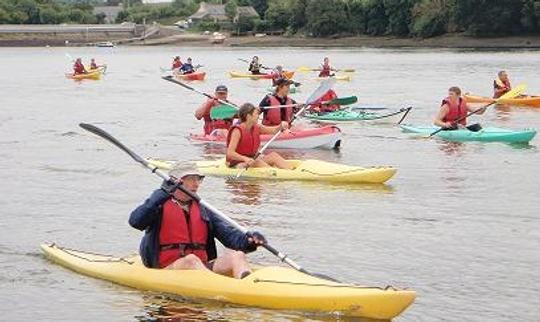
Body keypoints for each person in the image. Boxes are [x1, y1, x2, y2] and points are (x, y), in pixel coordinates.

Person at [129, 164, 267, 278]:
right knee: (191, 260)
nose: (196, 184)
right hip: (166, 269)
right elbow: (136, 221)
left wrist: (249, 241)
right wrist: (162, 193)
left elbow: (230, 237)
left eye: (198, 179)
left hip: (201, 267)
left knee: (237, 255)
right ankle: (217, 287)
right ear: (176, 181)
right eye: (191, 179)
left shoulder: (203, 209)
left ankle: (246, 286)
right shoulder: (158, 204)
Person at [226, 103, 294, 170]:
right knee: (257, 162)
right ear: (248, 116)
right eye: (256, 114)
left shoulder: (257, 127)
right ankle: (274, 173)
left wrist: (281, 126)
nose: (258, 116)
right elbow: (230, 153)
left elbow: (274, 130)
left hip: (252, 160)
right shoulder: (237, 131)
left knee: (273, 156)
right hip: (238, 164)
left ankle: (291, 172)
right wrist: (245, 159)